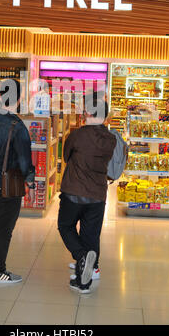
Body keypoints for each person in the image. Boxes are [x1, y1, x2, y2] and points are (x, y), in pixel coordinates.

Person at [58, 92, 117, 294]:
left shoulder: (77, 134)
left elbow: (66, 156)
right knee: (91, 235)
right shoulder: (110, 139)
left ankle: (81, 256)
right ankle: (85, 281)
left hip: (73, 191)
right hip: (98, 194)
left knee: (65, 225)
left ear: (87, 113)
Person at [0, 79, 35, 284]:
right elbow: (24, 160)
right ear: (18, 98)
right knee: (4, 228)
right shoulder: (17, 126)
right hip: (9, 183)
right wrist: (30, 180)